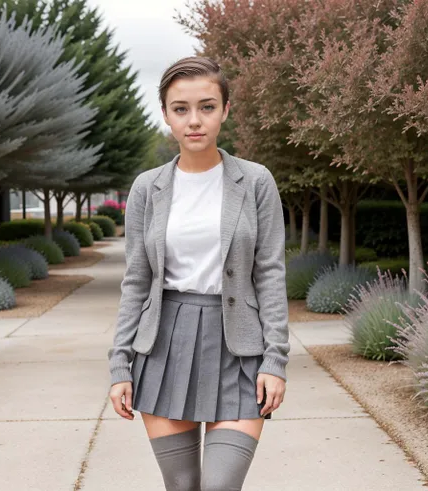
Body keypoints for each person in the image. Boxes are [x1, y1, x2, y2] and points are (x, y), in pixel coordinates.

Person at [107, 56, 290, 491]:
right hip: (164, 346)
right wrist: (119, 366)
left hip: (240, 349)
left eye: (207, 107)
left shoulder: (256, 181)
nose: (195, 121)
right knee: (183, 487)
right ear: (166, 114)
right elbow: (136, 280)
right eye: (181, 108)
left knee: (220, 487)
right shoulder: (146, 188)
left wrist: (276, 360)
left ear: (225, 111)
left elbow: (270, 273)